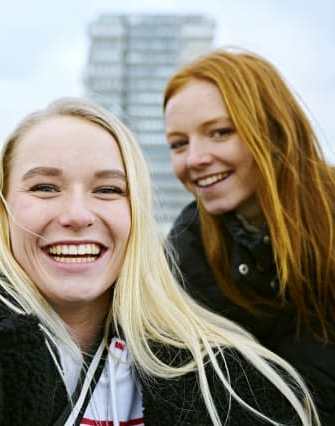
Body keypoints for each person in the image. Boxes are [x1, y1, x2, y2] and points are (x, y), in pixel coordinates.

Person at [0, 96, 320, 425]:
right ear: (3, 210)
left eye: (109, 190)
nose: (77, 215)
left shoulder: (220, 373)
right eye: (44, 188)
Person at [163, 48, 334, 424]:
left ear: (273, 128)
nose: (195, 159)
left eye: (220, 132)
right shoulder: (186, 250)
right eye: (179, 144)